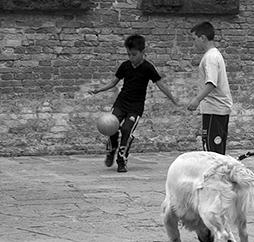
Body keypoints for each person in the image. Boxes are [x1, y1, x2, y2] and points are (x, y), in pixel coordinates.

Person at [89, 34, 180, 172]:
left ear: (143, 53)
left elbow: (161, 85)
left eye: (134, 54)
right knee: (111, 126)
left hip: (135, 107)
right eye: (128, 54)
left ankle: (121, 160)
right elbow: (113, 82)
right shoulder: (125, 66)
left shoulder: (148, 68)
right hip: (121, 103)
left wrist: (173, 99)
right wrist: (98, 90)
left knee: (126, 130)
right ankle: (111, 149)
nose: (131, 58)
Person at [188, 21, 234, 155]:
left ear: (202, 38)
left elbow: (211, 82)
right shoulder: (214, 55)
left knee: (212, 152)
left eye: (194, 39)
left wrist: (197, 100)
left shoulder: (210, 57)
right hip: (218, 109)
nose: (194, 43)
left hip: (215, 109)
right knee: (217, 150)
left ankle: (216, 176)